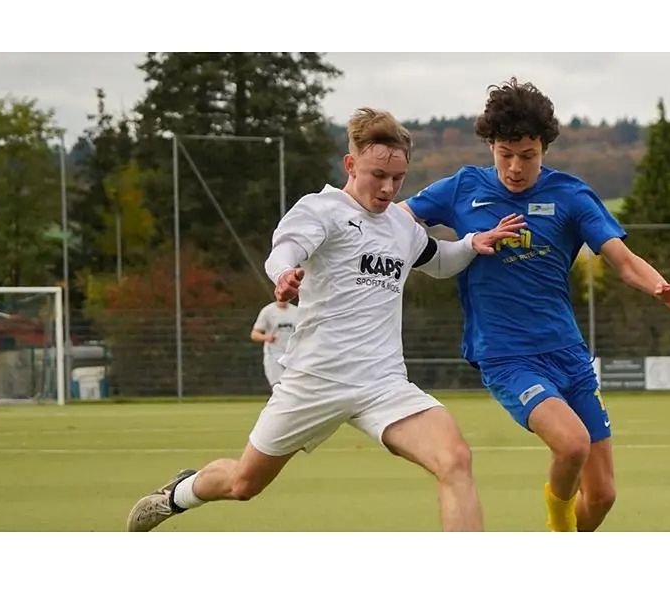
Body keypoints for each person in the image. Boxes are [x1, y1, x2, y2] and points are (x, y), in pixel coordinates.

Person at [126, 107, 525, 532]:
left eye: (398, 179)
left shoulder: (402, 228)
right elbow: (285, 249)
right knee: (244, 483)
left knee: (455, 458)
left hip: (382, 384)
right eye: (377, 175)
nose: (388, 188)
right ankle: (179, 494)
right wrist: (284, 274)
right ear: (351, 165)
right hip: (314, 380)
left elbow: (438, 260)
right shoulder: (322, 210)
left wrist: (470, 243)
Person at [401, 78, 670, 532]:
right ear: (490, 146)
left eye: (528, 155)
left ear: (544, 148)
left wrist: (661, 287)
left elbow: (622, 259)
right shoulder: (462, 188)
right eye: (505, 154)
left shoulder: (570, 195)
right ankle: (557, 529)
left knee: (601, 496)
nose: (516, 167)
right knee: (572, 444)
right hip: (506, 355)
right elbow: (396, 218)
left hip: (567, 353)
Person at [250, 299, 298, 388]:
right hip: (273, 355)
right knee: (278, 387)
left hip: (292, 356)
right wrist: (266, 337)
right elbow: (254, 334)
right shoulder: (267, 311)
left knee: (293, 387)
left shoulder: (296, 311)